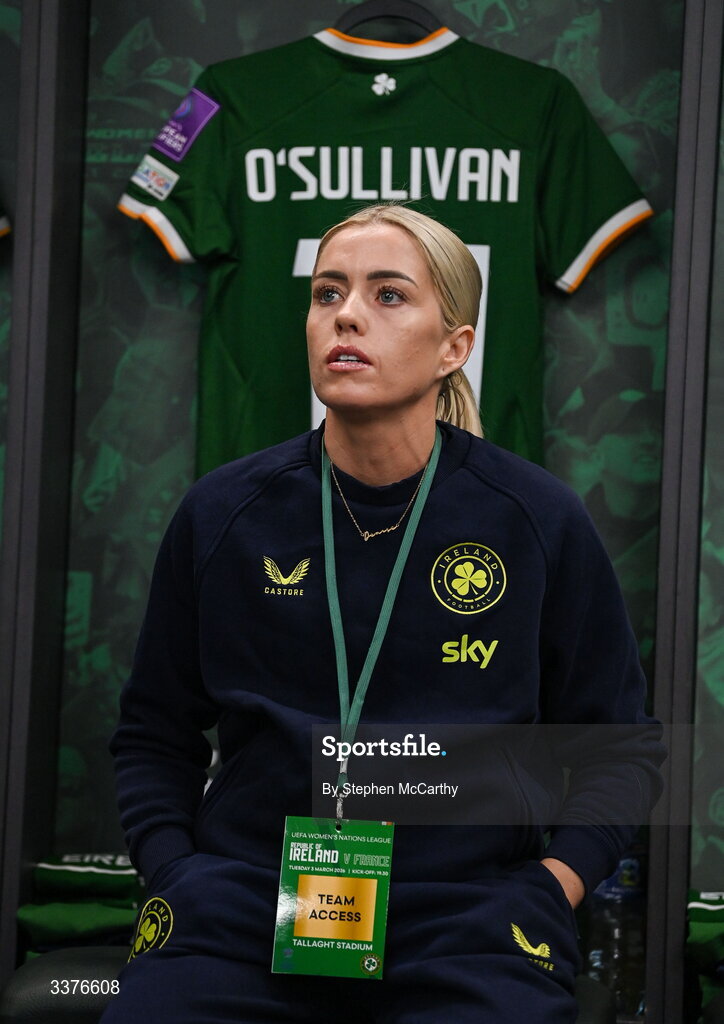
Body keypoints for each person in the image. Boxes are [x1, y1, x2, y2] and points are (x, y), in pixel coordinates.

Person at [102, 204, 664, 1023]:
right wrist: (178, 872)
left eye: (387, 295)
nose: (347, 315)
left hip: (466, 923)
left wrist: (550, 888)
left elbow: (622, 748)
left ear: (454, 347)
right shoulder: (223, 512)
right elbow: (154, 731)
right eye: (327, 293)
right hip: (243, 910)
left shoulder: (536, 521)